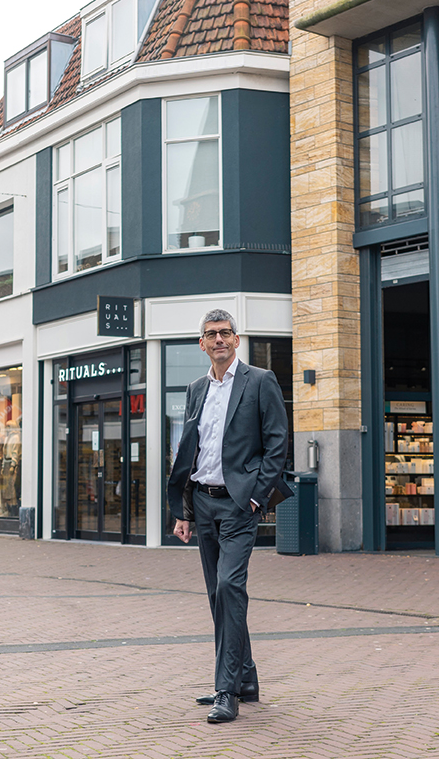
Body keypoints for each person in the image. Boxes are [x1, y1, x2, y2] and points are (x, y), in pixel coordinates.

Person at [167, 308, 292, 724]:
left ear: (236, 340)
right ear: (201, 344)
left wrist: (256, 497)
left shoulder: (260, 381)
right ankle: (246, 678)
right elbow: (190, 452)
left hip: (240, 504)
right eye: (210, 334)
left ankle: (227, 691)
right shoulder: (196, 389)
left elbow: (277, 443)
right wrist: (184, 510)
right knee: (217, 595)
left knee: (229, 587)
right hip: (203, 502)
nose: (219, 339)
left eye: (225, 333)